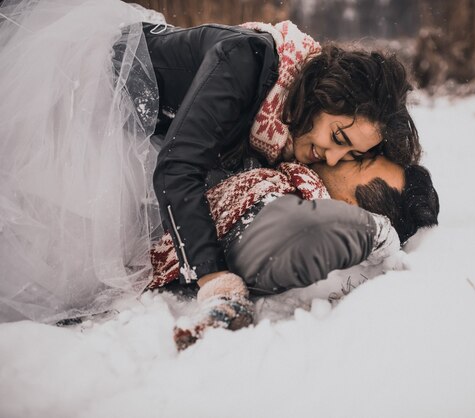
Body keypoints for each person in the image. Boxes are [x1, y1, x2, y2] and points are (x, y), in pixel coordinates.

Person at [0, 0, 422, 324]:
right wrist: (210, 276)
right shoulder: (247, 60)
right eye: (338, 137)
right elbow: (177, 166)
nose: (329, 156)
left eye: (348, 155)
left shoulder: (284, 125)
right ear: (325, 94)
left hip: (133, 141)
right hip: (79, 102)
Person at [146, 156, 439, 349]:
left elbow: (307, 230)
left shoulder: (286, 215)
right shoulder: (289, 181)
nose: (345, 155)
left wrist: (376, 232)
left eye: (360, 162)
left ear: (352, 207)